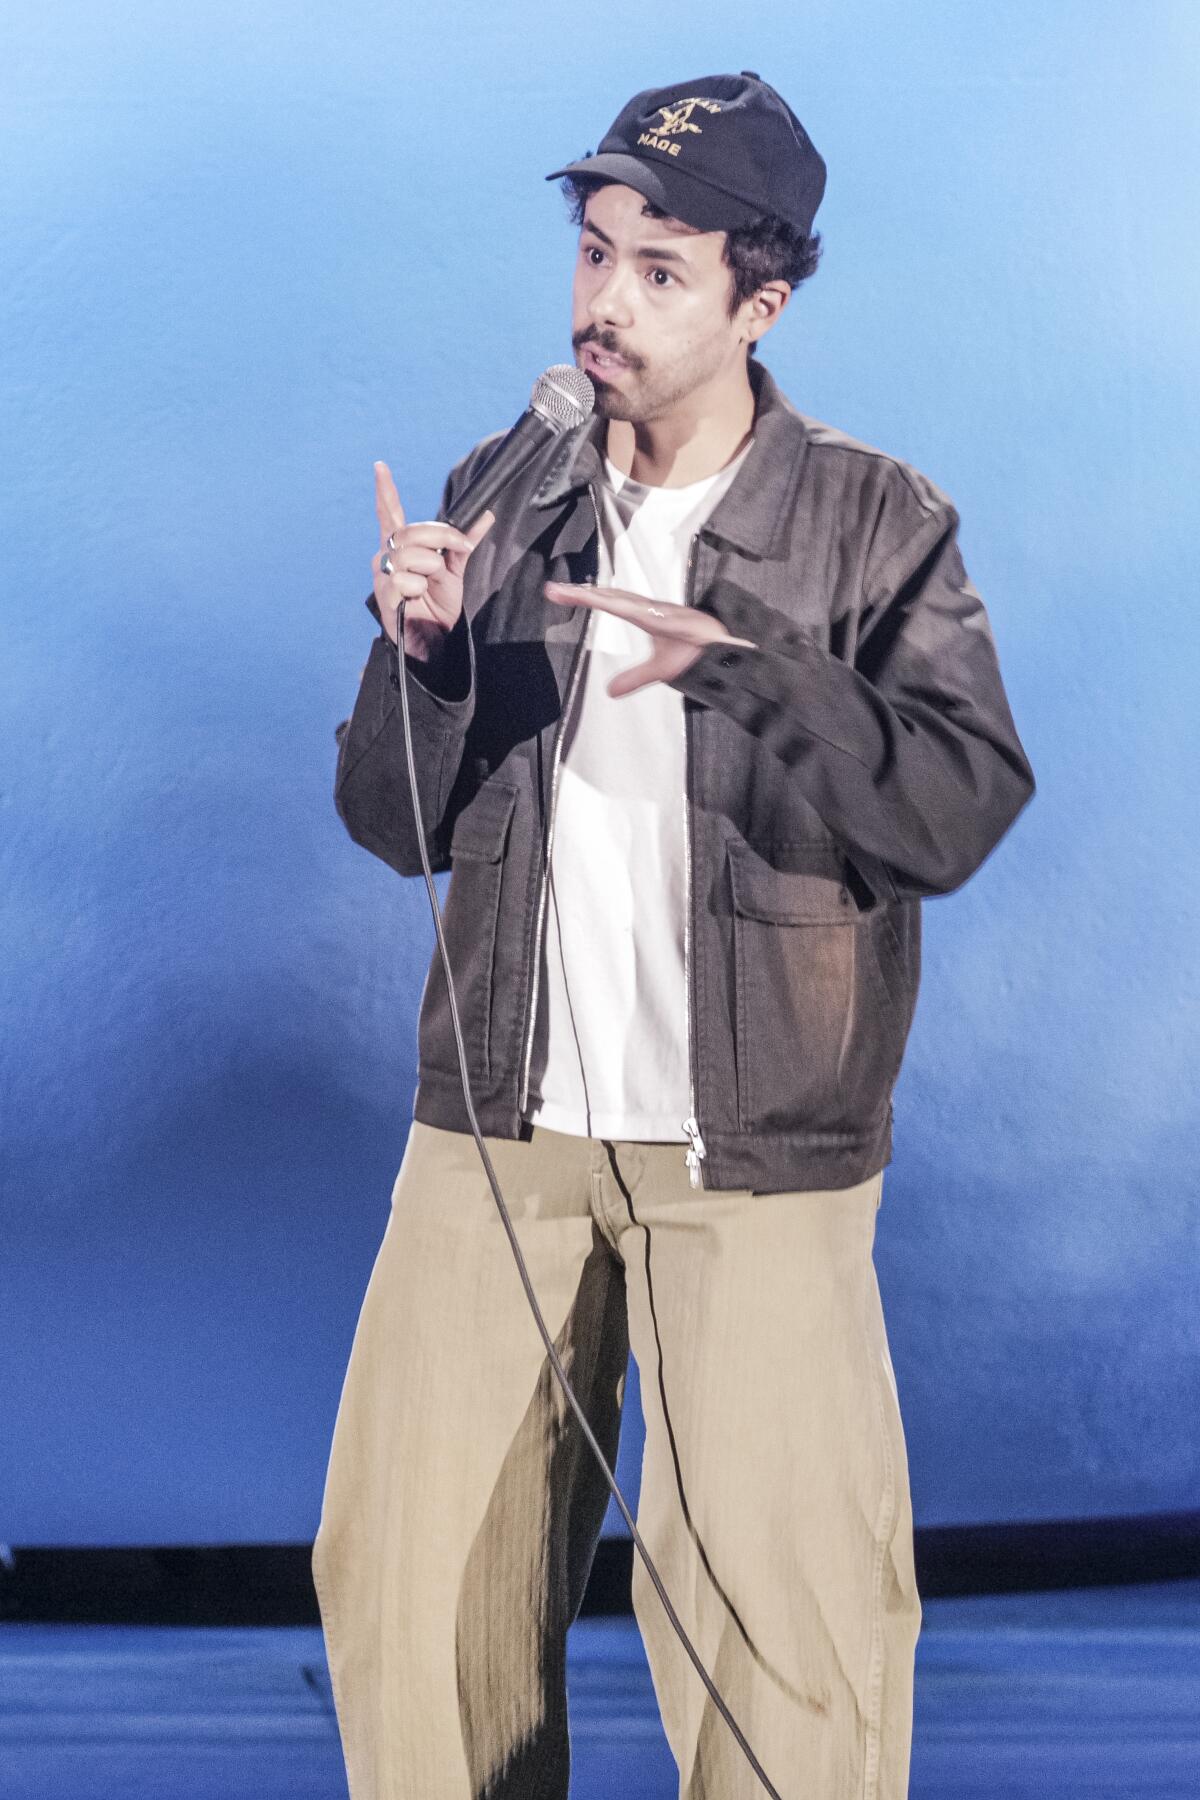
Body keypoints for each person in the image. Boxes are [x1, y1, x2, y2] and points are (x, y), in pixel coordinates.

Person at [312, 70, 1035, 1800]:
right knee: (410, 1598)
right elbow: (384, 821)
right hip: (501, 1130)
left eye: (660, 270)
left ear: (759, 303)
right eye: (593, 252)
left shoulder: (873, 518)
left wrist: (743, 675)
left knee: (790, 1638)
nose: (605, 302)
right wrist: (419, 661)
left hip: (756, 1157)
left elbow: (959, 803)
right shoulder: (509, 484)